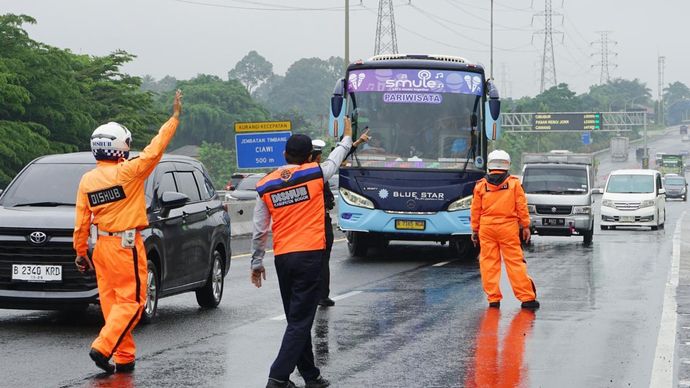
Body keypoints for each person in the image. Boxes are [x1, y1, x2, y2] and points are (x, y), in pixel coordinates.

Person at [73, 90, 183, 374]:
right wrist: (173, 118)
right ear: (121, 147)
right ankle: (103, 346)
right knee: (134, 301)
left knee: (112, 305)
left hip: (101, 249)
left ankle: (124, 357)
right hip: (125, 246)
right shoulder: (129, 172)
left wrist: (80, 251)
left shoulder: (87, 180)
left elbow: (82, 219)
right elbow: (155, 149)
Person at [251, 119, 354, 388]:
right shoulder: (315, 173)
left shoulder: (266, 184)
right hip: (310, 256)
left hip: (283, 258)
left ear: (284, 154)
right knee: (299, 321)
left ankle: (311, 376)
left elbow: (260, 229)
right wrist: (346, 137)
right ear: (309, 156)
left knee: (297, 319)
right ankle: (278, 377)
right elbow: (336, 157)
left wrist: (256, 261)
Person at [469, 149, 540, 310]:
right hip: (508, 228)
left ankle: (493, 299)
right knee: (515, 263)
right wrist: (525, 226)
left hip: (487, 228)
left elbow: (475, 210)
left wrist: (475, 230)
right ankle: (527, 298)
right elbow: (521, 206)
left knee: (488, 263)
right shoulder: (514, 184)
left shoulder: (481, 186)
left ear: (489, 164)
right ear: (507, 164)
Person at [312, 131, 370, 307]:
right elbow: (337, 157)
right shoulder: (316, 172)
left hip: (319, 221)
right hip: (317, 222)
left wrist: (357, 142)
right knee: (319, 259)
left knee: (321, 259)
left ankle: (320, 294)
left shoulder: (313, 172)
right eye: (319, 155)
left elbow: (339, 155)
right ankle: (318, 294)